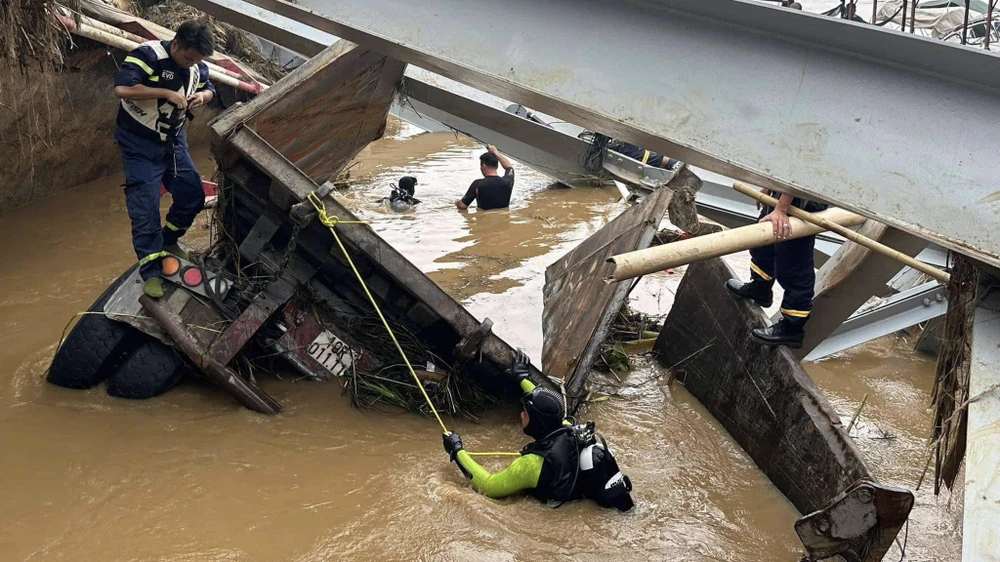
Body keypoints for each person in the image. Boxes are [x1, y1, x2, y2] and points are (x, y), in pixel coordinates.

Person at [441, 351, 634, 511]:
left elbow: (489, 486)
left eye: (525, 413)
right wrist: (523, 377)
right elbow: (551, 406)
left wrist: (457, 451)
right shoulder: (567, 428)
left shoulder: (531, 464)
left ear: (536, 422)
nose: (521, 416)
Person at [113, 20, 216, 298]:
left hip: (173, 142)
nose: (190, 64)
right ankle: (151, 271)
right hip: (139, 145)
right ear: (176, 43)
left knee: (193, 195)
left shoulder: (196, 66)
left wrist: (201, 97)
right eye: (187, 57)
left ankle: (169, 240)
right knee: (145, 207)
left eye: (196, 60)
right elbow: (122, 89)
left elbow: (210, 88)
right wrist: (166, 92)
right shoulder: (147, 56)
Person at [726, 190, 828, 348]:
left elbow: (802, 173)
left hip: (801, 198)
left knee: (793, 264)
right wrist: (771, 187)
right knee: (762, 243)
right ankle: (760, 288)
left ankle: (792, 328)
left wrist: (781, 208)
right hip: (785, 195)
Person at [456, 144, 514, 211]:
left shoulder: (478, 184)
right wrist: (496, 152)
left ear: (483, 166)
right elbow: (509, 167)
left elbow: (462, 206)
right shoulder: (508, 182)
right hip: (504, 219)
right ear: (497, 166)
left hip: (484, 218)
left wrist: (456, 202)